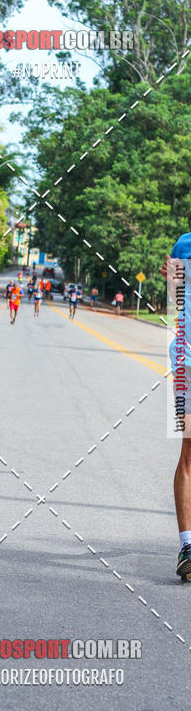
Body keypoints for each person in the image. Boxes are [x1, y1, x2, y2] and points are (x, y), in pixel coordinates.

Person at [160, 234, 191, 579]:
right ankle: (188, 546)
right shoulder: (185, 245)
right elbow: (177, 300)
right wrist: (172, 281)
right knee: (190, 453)